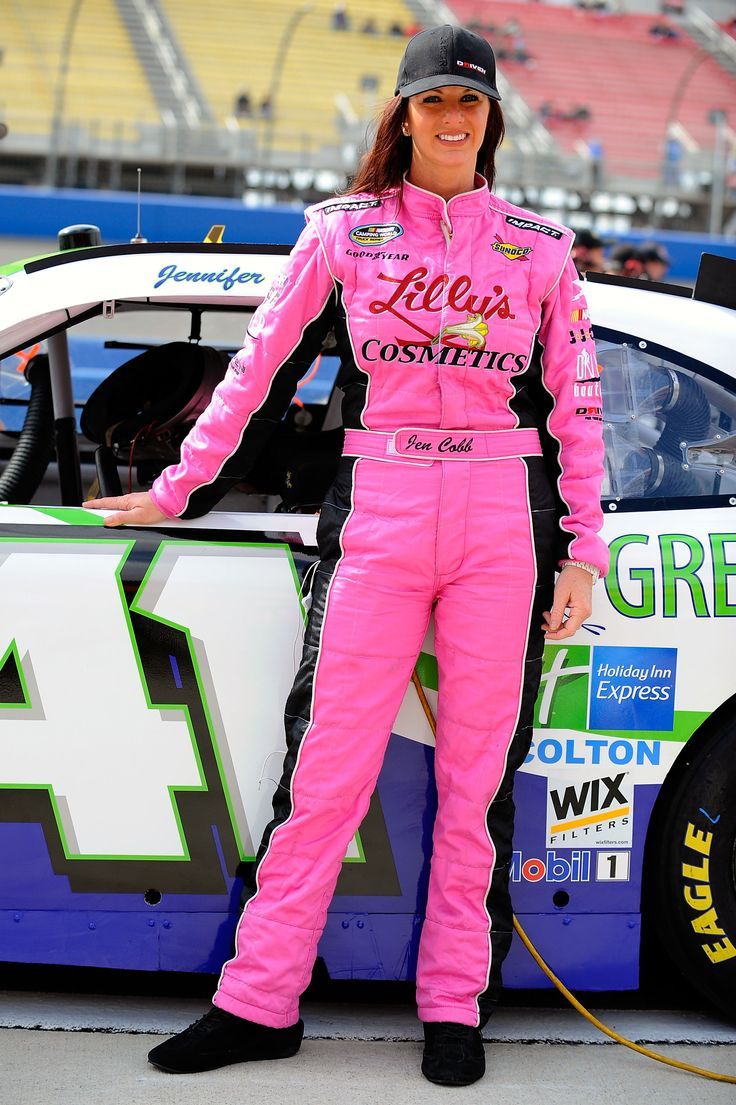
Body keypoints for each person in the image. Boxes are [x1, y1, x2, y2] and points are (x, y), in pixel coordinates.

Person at [84, 24, 608, 1087]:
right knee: (325, 773)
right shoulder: (343, 233)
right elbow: (253, 373)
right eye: (433, 103)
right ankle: (258, 999)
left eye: (470, 102)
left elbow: (578, 411)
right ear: (404, 115)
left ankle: (454, 1006)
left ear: (491, 117)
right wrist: (179, 486)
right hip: (381, 508)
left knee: (476, 786)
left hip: (500, 525)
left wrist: (582, 551)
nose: (452, 119)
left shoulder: (542, 248)